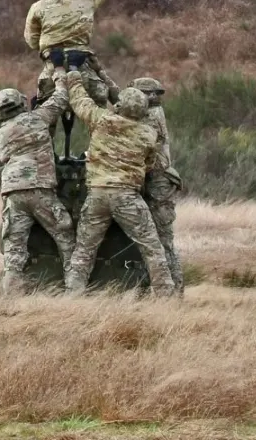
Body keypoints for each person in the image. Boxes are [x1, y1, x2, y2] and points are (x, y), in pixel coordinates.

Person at [60, 70, 175, 295]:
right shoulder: (148, 134)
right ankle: (165, 295)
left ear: (120, 105)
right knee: (152, 249)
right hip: (128, 197)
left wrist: (73, 75)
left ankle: (73, 294)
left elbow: (80, 101)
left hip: (97, 195)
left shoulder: (101, 120)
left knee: (83, 251)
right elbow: (149, 164)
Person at [0, 83, 74, 294]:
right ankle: (74, 288)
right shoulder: (37, 118)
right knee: (65, 236)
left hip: (13, 192)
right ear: (20, 103)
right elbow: (62, 98)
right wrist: (60, 76)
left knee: (14, 251)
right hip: (39, 188)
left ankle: (11, 295)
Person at [25, 0, 116, 105]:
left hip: (53, 66)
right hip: (83, 64)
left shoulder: (37, 6)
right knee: (98, 105)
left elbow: (32, 41)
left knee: (44, 109)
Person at [131, 76, 183, 295]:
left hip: (157, 182)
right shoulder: (151, 112)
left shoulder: (150, 116)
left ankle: (174, 291)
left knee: (162, 239)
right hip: (154, 180)